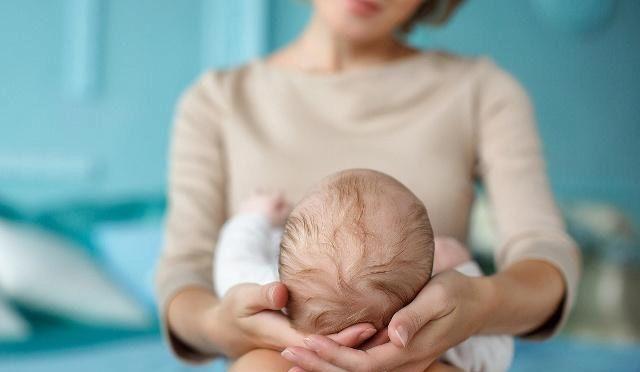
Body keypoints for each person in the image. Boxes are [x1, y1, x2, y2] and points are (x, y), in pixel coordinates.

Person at [155, 0, 581, 370]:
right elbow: (184, 275)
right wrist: (220, 324)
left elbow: (544, 255)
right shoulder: (218, 101)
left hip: (427, 358)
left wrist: (480, 303)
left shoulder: (482, 92)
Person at [214, 169, 514, 371]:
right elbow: (496, 350)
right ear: (425, 290)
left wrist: (253, 216)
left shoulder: (273, 298)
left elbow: (234, 261)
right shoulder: (428, 336)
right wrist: (463, 265)